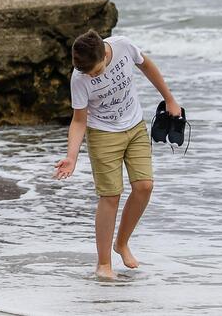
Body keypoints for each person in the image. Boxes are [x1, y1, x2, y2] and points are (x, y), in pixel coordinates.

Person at [54, 30, 180, 279]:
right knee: (110, 195)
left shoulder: (123, 46)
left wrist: (169, 100)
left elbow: (148, 67)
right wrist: (72, 157)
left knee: (144, 186)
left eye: (96, 71)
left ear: (104, 52)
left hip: (134, 126)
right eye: (87, 72)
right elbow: (79, 121)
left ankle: (121, 243)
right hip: (103, 134)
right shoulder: (79, 78)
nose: (91, 75)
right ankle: (104, 264)